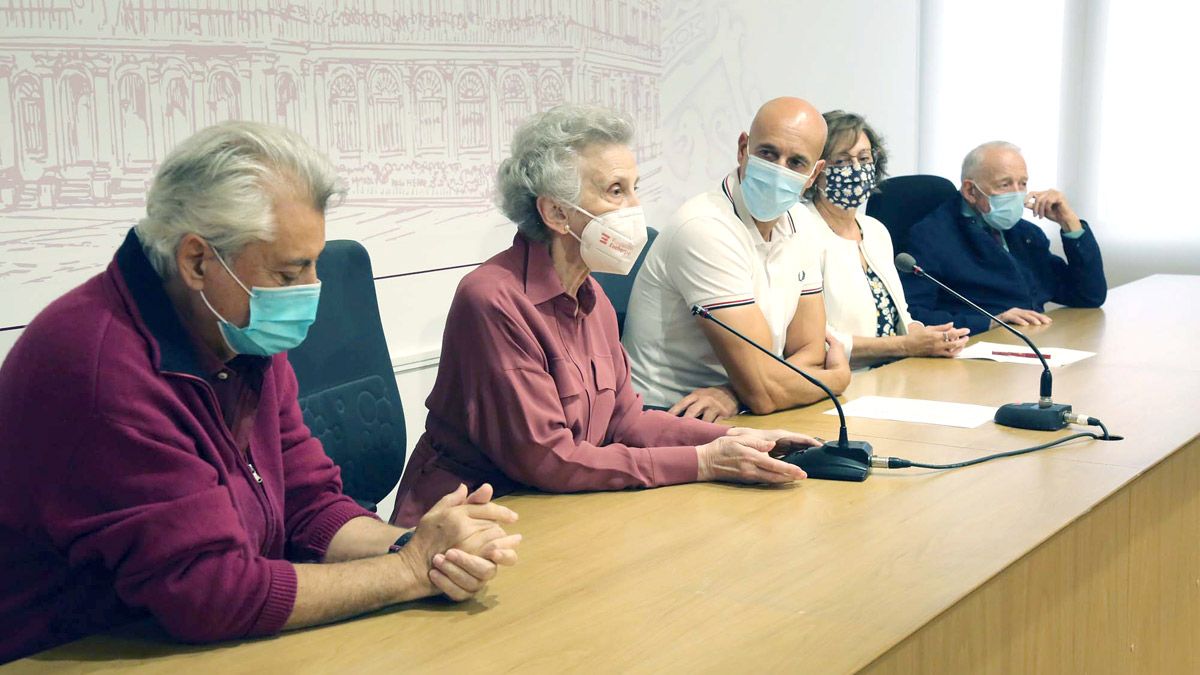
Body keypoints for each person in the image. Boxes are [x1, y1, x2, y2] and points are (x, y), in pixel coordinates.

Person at [0, 122, 521, 663]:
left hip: (198, 641)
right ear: (198, 261)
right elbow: (209, 590)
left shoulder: (234, 332)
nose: (311, 291)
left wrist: (418, 547)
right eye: (290, 271)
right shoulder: (98, 367)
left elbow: (307, 501)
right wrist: (407, 572)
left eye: (314, 264)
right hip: (79, 653)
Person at [390, 105, 816, 527]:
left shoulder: (591, 294)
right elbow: (549, 459)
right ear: (556, 213)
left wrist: (741, 439)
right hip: (462, 524)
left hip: (558, 510)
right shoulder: (492, 300)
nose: (635, 208)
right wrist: (703, 462)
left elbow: (626, 421)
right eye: (615, 191)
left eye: (634, 188)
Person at [622, 97, 851, 422]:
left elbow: (809, 352)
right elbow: (764, 390)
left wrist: (734, 392)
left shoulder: (802, 222)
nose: (777, 171)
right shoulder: (705, 227)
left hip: (737, 411)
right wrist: (838, 379)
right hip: (669, 416)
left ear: (814, 174)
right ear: (743, 149)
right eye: (768, 153)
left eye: (796, 162)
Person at [800, 110, 969, 369]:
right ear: (816, 169)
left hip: (894, 373)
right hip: (840, 382)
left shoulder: (875, 231)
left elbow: (900, 318)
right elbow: (815, 342)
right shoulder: (800, 232)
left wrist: (930, 336)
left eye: (864, 158)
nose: (856, 169)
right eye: (841, 161)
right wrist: (906, 345)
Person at [902, 141, 1106, 334]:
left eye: (1022, 183)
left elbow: (1088, 295)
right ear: (970, 191)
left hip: (1031, 342)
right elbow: (913, 317)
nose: (1017, 194)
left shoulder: (1026, 234)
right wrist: (991, 321)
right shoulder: (932, 236)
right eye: (1005, 185)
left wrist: (1070, 224)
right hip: (973, 351)